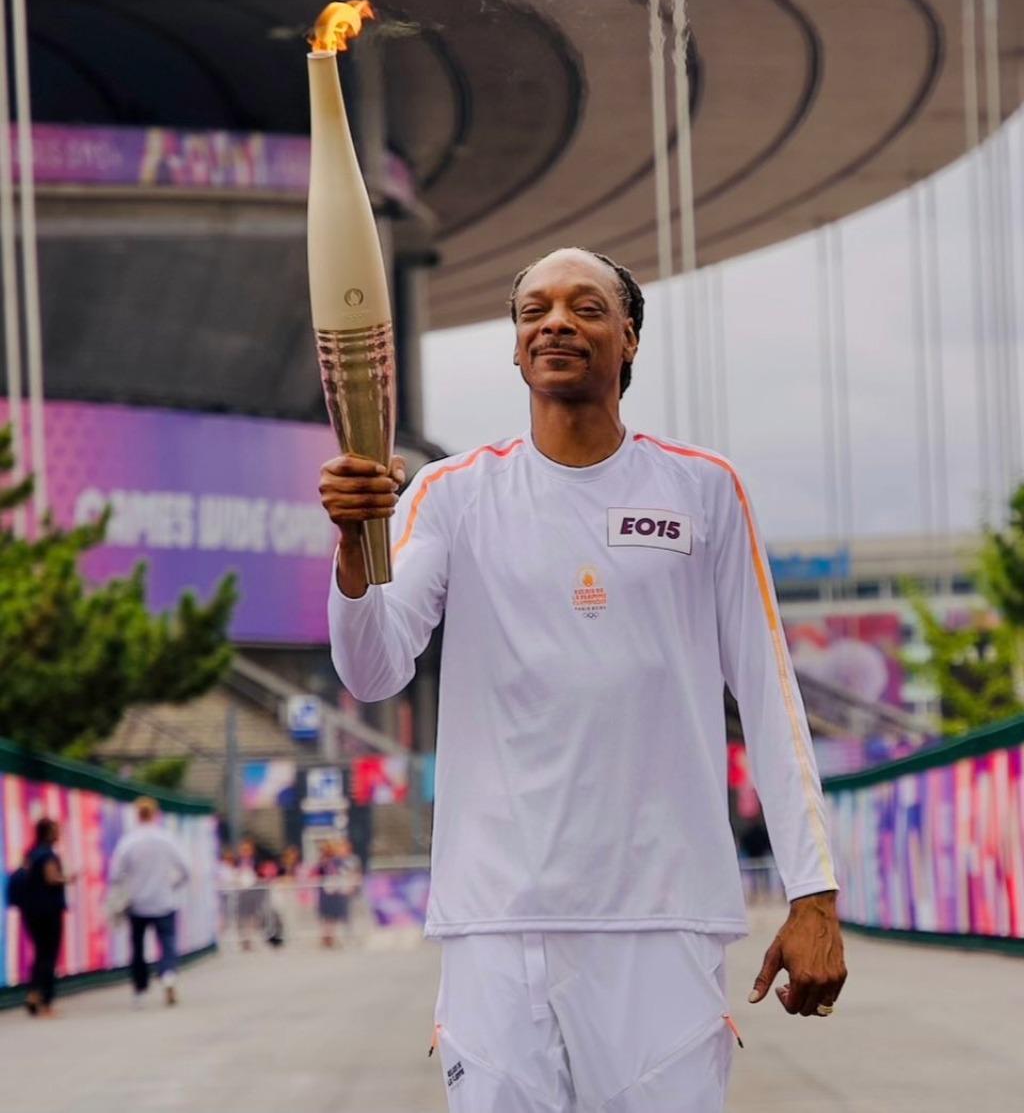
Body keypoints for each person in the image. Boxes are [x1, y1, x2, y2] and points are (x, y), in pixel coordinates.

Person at [321, 247, 847, 1111]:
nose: (556, 321)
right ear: (516, 345)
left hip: (663, 914)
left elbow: (769, 694)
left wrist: (813, 896)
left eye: (586, 306)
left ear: (630, 338)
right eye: (535, 309)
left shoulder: (703, 491)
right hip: (497, 919)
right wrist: (351, 548)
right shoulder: (450, 495)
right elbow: (373, 669)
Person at [109, 797, 191, 1007]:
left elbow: (116, 874)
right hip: (164, 900)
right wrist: (172, 885)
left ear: (137, 814)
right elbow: (185, 869)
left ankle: (140, 991)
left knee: (137, 948)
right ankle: (168, 975)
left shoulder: (129, 841)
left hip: (137, 903)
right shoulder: (166, 839)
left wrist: (129, 886)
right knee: (167, 942)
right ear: (155, 814)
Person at [18, 818, 71, 1017]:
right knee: (49, 955)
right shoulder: (48, 855)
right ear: (48, 832)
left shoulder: (30, 853)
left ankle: (33, 993)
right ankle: (46, 1001)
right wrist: (67, 878)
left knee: (40, 954)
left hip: (31, 910)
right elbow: (51, 878)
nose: (59, 834)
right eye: (56, 830)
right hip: (49, 911)